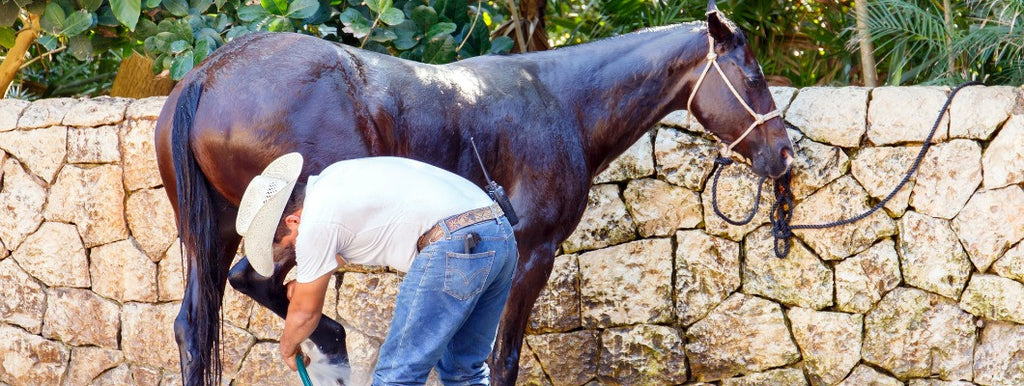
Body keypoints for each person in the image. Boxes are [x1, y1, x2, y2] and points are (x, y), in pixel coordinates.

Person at [234, 153, 518, 385]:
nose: (296, 251)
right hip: (499, 231)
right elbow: (361, 236)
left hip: (455, 243)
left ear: (293, 222)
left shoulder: (315, 222)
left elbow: (306, 314)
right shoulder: (333, 181)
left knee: (396, 376)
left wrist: (287, 346)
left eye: (291, 244)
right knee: (463, 371)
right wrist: (310, 279)